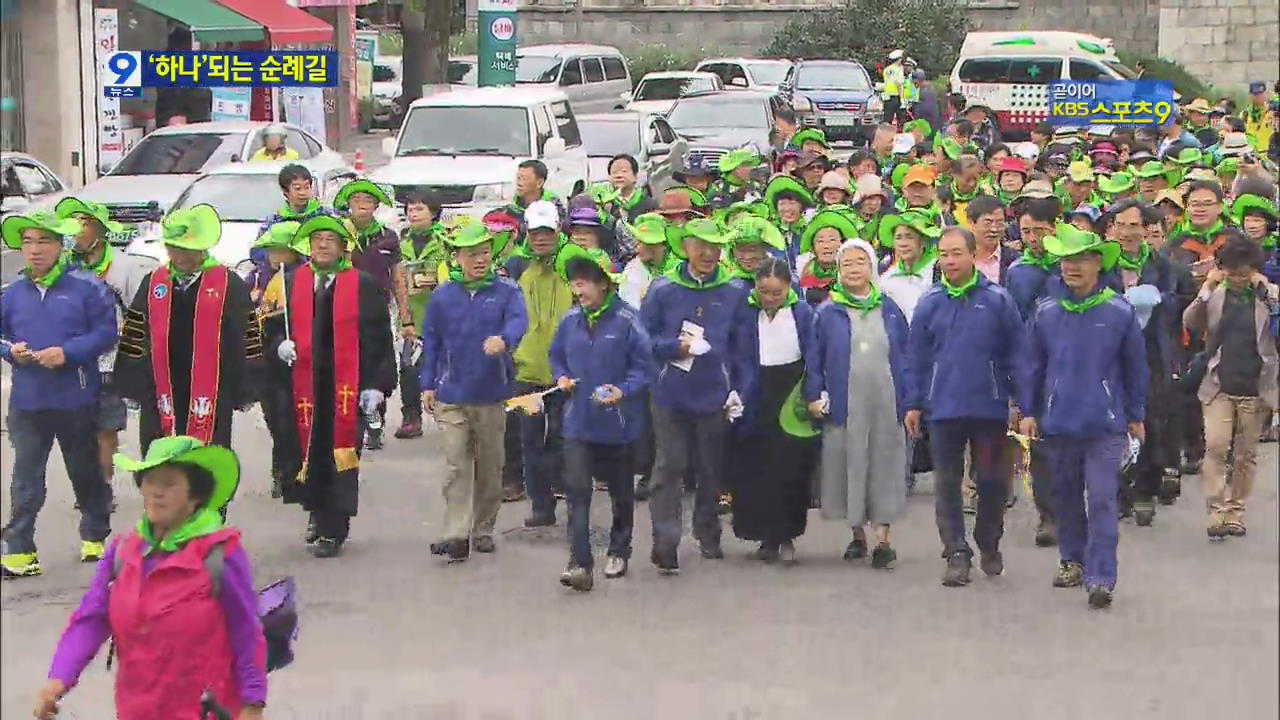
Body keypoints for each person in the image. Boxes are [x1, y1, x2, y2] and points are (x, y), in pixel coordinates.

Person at [34, 436, 267, 720]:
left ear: (195, 495)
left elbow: (247, 632)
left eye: (169, 483)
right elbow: (91, 618)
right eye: (149, 480)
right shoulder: (122, 552)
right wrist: (59, 678)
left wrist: (253, 704)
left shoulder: (221, 554)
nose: (156, 492)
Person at [1020, 224, 1147, 610]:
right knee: (1066, 497)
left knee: (1104, 499)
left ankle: (1101, 577)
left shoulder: (1118, 311)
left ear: (1097, 263)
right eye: (1065, 261)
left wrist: (1135, 414)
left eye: (1079, 260)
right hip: (1058, 422)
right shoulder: (1046, 311)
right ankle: (1071, 560)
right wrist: (1027, 410)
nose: (1071, 268)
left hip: (1105, 424)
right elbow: (1031, 366)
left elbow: (1135, 367)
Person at [263, 216, 396, 558]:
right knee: (307, 453)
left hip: (346, 386)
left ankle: (334, 528)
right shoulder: (291, 282)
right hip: (303, 384)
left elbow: (379, 339)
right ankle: (316, 512)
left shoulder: (361, 284)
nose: (322, 245)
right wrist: (279, 344)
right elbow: (270, 328)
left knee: (340, 455)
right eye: (317, 239)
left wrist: (378, 386)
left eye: (330, 240)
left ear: (343, 247)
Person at [0, 212, 116, 576]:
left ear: (61, 245)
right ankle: (20, 549)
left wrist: (68, 352)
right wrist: (9, 351)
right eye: (28, 242)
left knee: (84, 472)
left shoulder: (87, 287)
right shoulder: (12, 293)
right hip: (28, 401)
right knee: (25, 478)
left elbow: (107, 333)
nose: (34, 251)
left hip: (76, 398)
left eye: (43, 242)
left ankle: (95, 535)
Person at [907, 226, 1023, 586]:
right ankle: (956, 552)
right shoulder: (930, 302)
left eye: (957, 253)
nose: (950, 261)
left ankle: (989, 541)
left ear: (973, 255)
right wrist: (913, 403)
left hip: (988, 407)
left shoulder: (998, 300)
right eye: (944, 254)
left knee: (991, 484)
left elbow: (1017, 354)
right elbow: (916, 357)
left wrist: (1019, 401)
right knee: (946, 484)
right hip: (943, 408)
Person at [640, 217, 754, 573]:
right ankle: (666, 539)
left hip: (713, 396)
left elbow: (744, 350)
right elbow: (644, 342)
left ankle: (708, 533)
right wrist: (677, 347)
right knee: (670, 464)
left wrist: (740, 390)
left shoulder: (735, 291)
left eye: (715, 246)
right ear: (685, 247)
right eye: (700, 246)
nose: (708, 253)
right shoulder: (663, 289)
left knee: (710, 468)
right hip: (669, 392)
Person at [115, 205, 263, 454]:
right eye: (174, 247)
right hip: (160, 386)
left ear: (202, 247)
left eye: (187, 249)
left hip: (213, 387)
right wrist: (131, 381)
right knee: (160, 453)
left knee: (207, 457)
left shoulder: (229, 284)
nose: (180, 255)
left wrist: (247, 385)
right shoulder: (153, 283)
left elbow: (247, 337)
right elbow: (135, 334)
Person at [421, 222, 528, 562]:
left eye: (484, 253)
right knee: (456, 464)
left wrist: (505, 340)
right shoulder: (442, 295)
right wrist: (427, 383)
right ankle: (455, 533)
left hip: (491, 391)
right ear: (458, 257)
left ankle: (483, 528)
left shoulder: (507, 291)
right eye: (471, 254)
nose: (479, 260)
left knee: (490, 465)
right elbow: (432, 342)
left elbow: (518, 321)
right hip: (451, 393)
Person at [549, 251, 654, 590]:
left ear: (603, 284)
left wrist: (623, 391)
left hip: (618, 426)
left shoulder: (628, 321)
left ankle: (619, 548)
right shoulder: (570, 321)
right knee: (577, 492)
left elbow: (645, 369)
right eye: (574, 284)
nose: (577, 291)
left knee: (621, 493)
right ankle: (579, 561)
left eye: (583, 284)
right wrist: (562, 376)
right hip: (578, 422)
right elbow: (556, 356)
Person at [805, 237, 912, 567]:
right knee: (848, 465)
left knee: (884, 465)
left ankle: (883, 538)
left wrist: (912, 402)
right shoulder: (827, 311)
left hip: (885, 401)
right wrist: (813, 395)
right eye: (846, 264)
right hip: (845, 400)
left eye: (860, 262)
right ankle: (857, 535)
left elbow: (907, 356)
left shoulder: (889, 308)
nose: (853, 269)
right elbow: (814, 358)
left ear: (872, 267)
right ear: (837, 270)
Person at [56, 197, 158, 508]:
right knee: (77, 430)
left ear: (99, 230)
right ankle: (87, 485)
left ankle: (100, 489)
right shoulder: (64, 268)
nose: (75, 231)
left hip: (111, 361)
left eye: (82, 223)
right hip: (72, 362)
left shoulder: (125, 268)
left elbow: (139, 315)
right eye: (71, 223)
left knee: (105, 428)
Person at [1182, 239, 1279, 538]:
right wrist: (1207, 288)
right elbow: (1190, 322)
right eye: (1232, 272)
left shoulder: (1269, 296)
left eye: (1244, 273)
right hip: (1218, 384)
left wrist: (1268, 296)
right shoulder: (1215, 295)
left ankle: (1235, 510)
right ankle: (1216, 509)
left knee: (1244, 453)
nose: (1238, 278)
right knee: (1215, 446)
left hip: (1256, 385)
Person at [730, 257, 817, 562]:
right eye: (764, 292)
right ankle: (764, 536)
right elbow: (735, 354)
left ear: (788, 288)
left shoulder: (802, 312)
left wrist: (813, 393)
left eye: (776, 293)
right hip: (755, 392)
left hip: (790, 391)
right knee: (756, 466)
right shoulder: (744, 313)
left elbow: (813, 356)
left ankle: (787, 534)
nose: (769, 299)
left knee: (790, 468)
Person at [501, 201, 577, 527]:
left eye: (547, 231)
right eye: (535, 232)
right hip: (527, 370)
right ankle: (541, 507)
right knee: (529, 441)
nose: (541, 238)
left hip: (566, 371)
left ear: (558, 229)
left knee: (564, 439)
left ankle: (573, 503)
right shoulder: (518, 266)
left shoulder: (574, 262)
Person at [1108, 201, 1180, 526]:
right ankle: (1118, 492)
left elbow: (1177, 300)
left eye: (1134, 226)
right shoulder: (1103, 263)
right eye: (1120, 225)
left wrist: (1155, 299)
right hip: (1110, 353)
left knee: (1148, 420)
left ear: (1147, 229)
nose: (1126, 232)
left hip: (1151, 351)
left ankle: (1145, 491)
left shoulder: (1162, 265)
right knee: (1113, 423)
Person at [335, 179, 409, 450]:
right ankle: (350, 418)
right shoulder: (339, 235)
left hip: (380, 310)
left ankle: (375, 420)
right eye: (357, 202)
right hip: (343, 308)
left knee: (379, 362)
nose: (362, 207)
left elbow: (399, 276)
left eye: (368, 202)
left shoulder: (388, 237)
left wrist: (405, 316)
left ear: (376, 206)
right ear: (349, 205)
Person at [617, 213, 678, 501]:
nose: (641, 248)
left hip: (675, 351)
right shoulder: (632, 270)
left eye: (648, 243)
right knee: (644, 416)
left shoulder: (677, 267)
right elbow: (631, 312)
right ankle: (646, 472)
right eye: (640, 242)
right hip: (642, 352)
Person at [249, 220, 305, 497]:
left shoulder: (302, 278)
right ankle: (282, 467)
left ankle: (290, 471)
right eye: (270, 249)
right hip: (263, 360)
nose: (274, 255)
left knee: (289, 419)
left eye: (280, 249)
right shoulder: (258, 277)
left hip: (293, 361)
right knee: (274, 419)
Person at [394, 189, 447, 440]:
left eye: (419, 209)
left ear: (434, 213)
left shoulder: (445, 243)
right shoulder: (401, 244)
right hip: (411, 315)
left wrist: (436, 280)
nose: (413, 214)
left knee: (442, 366)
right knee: (408, 367)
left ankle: (448, 416)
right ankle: (411, 418)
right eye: (410, 209)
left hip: (440, 316)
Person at [877, 210, 941, 320]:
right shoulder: (886, 277)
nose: (903, 243)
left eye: (909, 237)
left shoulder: (939, 270)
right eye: (898, 238)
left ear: (923, 241)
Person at [797, 209, 855, 305]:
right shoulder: (804, 270)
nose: (826, 246)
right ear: (813, 248)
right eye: (820, 241)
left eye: (832, 240)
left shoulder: (853, 272)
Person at [967, 195, 1018, 284]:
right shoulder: (957, 258)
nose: (994, 229)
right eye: (988, 223)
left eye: (999, 223)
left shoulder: (1014, 261)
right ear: (971, 223)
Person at [1241, 81, 1277, 153]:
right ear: (1250, 95)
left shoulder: (1274, 112)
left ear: (1266, 94)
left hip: (1271, 155)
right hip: (1250, 155)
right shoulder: (1244, 114)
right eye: (1255, 94)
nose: (1258, 96)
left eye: (1261, 93)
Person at [881, 49, 906, 126]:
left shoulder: (886, 69)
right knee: (901, 119)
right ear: (899, 59)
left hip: (887, 97)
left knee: (887, 119)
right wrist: (902, 100)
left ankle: (885, 135)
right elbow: (899, 84)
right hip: (896, 96)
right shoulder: (898, 70)